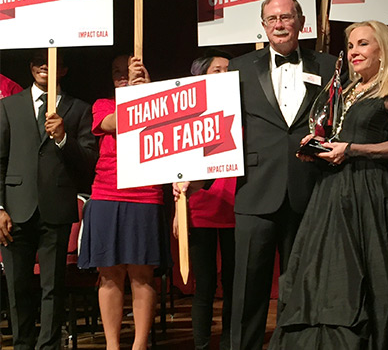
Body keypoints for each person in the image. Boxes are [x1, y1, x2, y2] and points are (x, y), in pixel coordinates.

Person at [270, 20, 388, 349]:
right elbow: (337, 139)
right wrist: (319, 149)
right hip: (331, 192)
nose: (354, 52)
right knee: (322, 274)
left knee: (368, 273)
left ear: (382, 49)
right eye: (351, 46)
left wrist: (351, 150)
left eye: (363, 44)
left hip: (369, 192)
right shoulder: (346, 90)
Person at [227, 0, 336, 350]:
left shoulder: (330, 65)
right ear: (263, 25)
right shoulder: (239, 67)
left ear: (300, 23)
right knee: (247, 290)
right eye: (272, 19)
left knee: (302, 288)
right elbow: (216, 123)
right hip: (256, 189)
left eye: (286, 18)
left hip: (310, 189)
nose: (279, 25)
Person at [0, 50, 97, 350]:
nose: (44, 65)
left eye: (52, 62)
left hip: (56, 208)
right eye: (38, 61)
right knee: (17, 288)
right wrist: (0, 206)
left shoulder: (78, 109)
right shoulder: (8, 106)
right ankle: (22, 344)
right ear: (30, 67)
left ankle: (48, 346)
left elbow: (88, 161)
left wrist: (64, 139)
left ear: (63, 70)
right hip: (16, 209)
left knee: (52, 287)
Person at [78, 55, 166, 350]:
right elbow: (115, 123)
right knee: (109, 275)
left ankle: (140, 346)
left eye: (128, 72)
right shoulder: (104, 104)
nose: (122, 76)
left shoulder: (160, 101)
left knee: (142, 276)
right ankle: (112, 346)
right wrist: (136, 95)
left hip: (145, 195)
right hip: (107, 195)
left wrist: (149, 91)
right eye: (117, 72)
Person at [173, 49, 236, 350]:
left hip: (238, 206)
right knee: (205, 285)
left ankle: (230, 342)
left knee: (235, 284)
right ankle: (201, 345)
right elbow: (178, 168)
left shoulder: (242, 108)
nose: (225, 74)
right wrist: (178, 209)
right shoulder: (187, 114)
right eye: (218, 70)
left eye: (228, 69)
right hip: (199, 207)